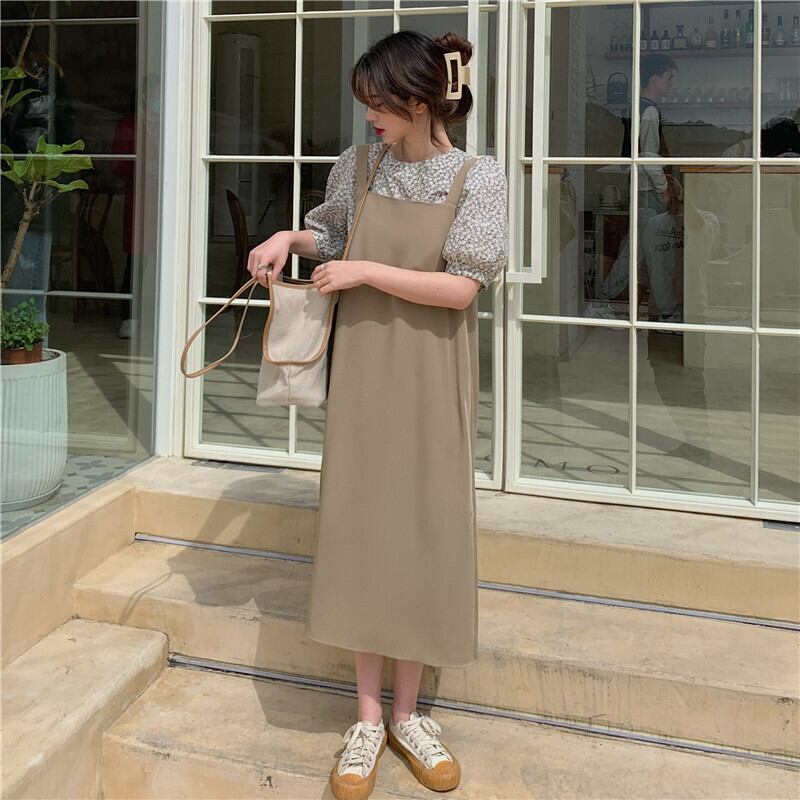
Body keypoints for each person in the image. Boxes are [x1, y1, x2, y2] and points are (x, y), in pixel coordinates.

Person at [246, 31, 508, 800]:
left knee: (422, 528)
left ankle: (408, 717)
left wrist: (364, 270)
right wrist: (286, 237)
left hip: (432, 373)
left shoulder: (479, 177)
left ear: (420, 103)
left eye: (380, 105)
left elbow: (462, 289)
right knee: (362, 529)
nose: (370, 118)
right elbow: (331, 235)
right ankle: (366, 721)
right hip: (363, 370)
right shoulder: (357, 167)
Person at [585, 53, 678, 319]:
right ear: (655, 78)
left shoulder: (633, 108)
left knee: (633, 252)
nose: (670, 84)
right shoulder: (649, 112)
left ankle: (601, 301)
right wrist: (663, 188)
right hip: (649, 193)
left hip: (638, 190)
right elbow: (648, 157)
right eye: (668, 78)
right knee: (658, 254)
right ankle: (666, 313)